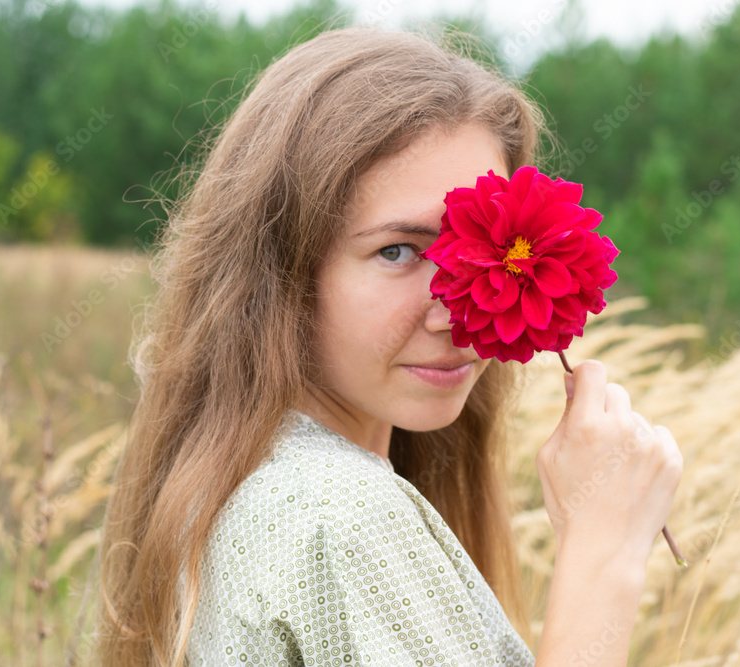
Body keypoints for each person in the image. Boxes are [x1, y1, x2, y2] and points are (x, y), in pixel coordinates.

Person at [95, 23, 683, 667]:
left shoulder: (240, 486)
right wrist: (605, 553)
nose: (461, 309)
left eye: (481, 249)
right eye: (398, 251)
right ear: (276, 271)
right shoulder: (338, 517)